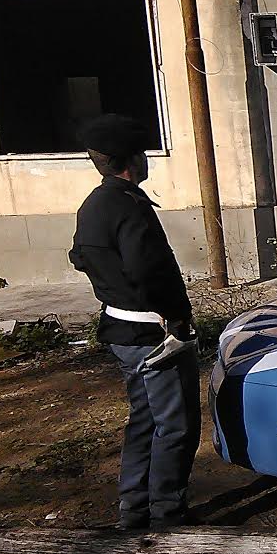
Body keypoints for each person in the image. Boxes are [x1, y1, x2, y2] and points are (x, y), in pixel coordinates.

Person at [69, 114, 200, 530]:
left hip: (121, 329)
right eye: (143, 153)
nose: (146, 160)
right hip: (152, 332)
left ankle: (134, 508)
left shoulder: (94, 205)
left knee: (145, 418)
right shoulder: (129, 207)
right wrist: (176, 319)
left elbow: (79, 256)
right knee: (175, 425)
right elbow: (148, 272)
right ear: (130, 160)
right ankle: (167, 515)